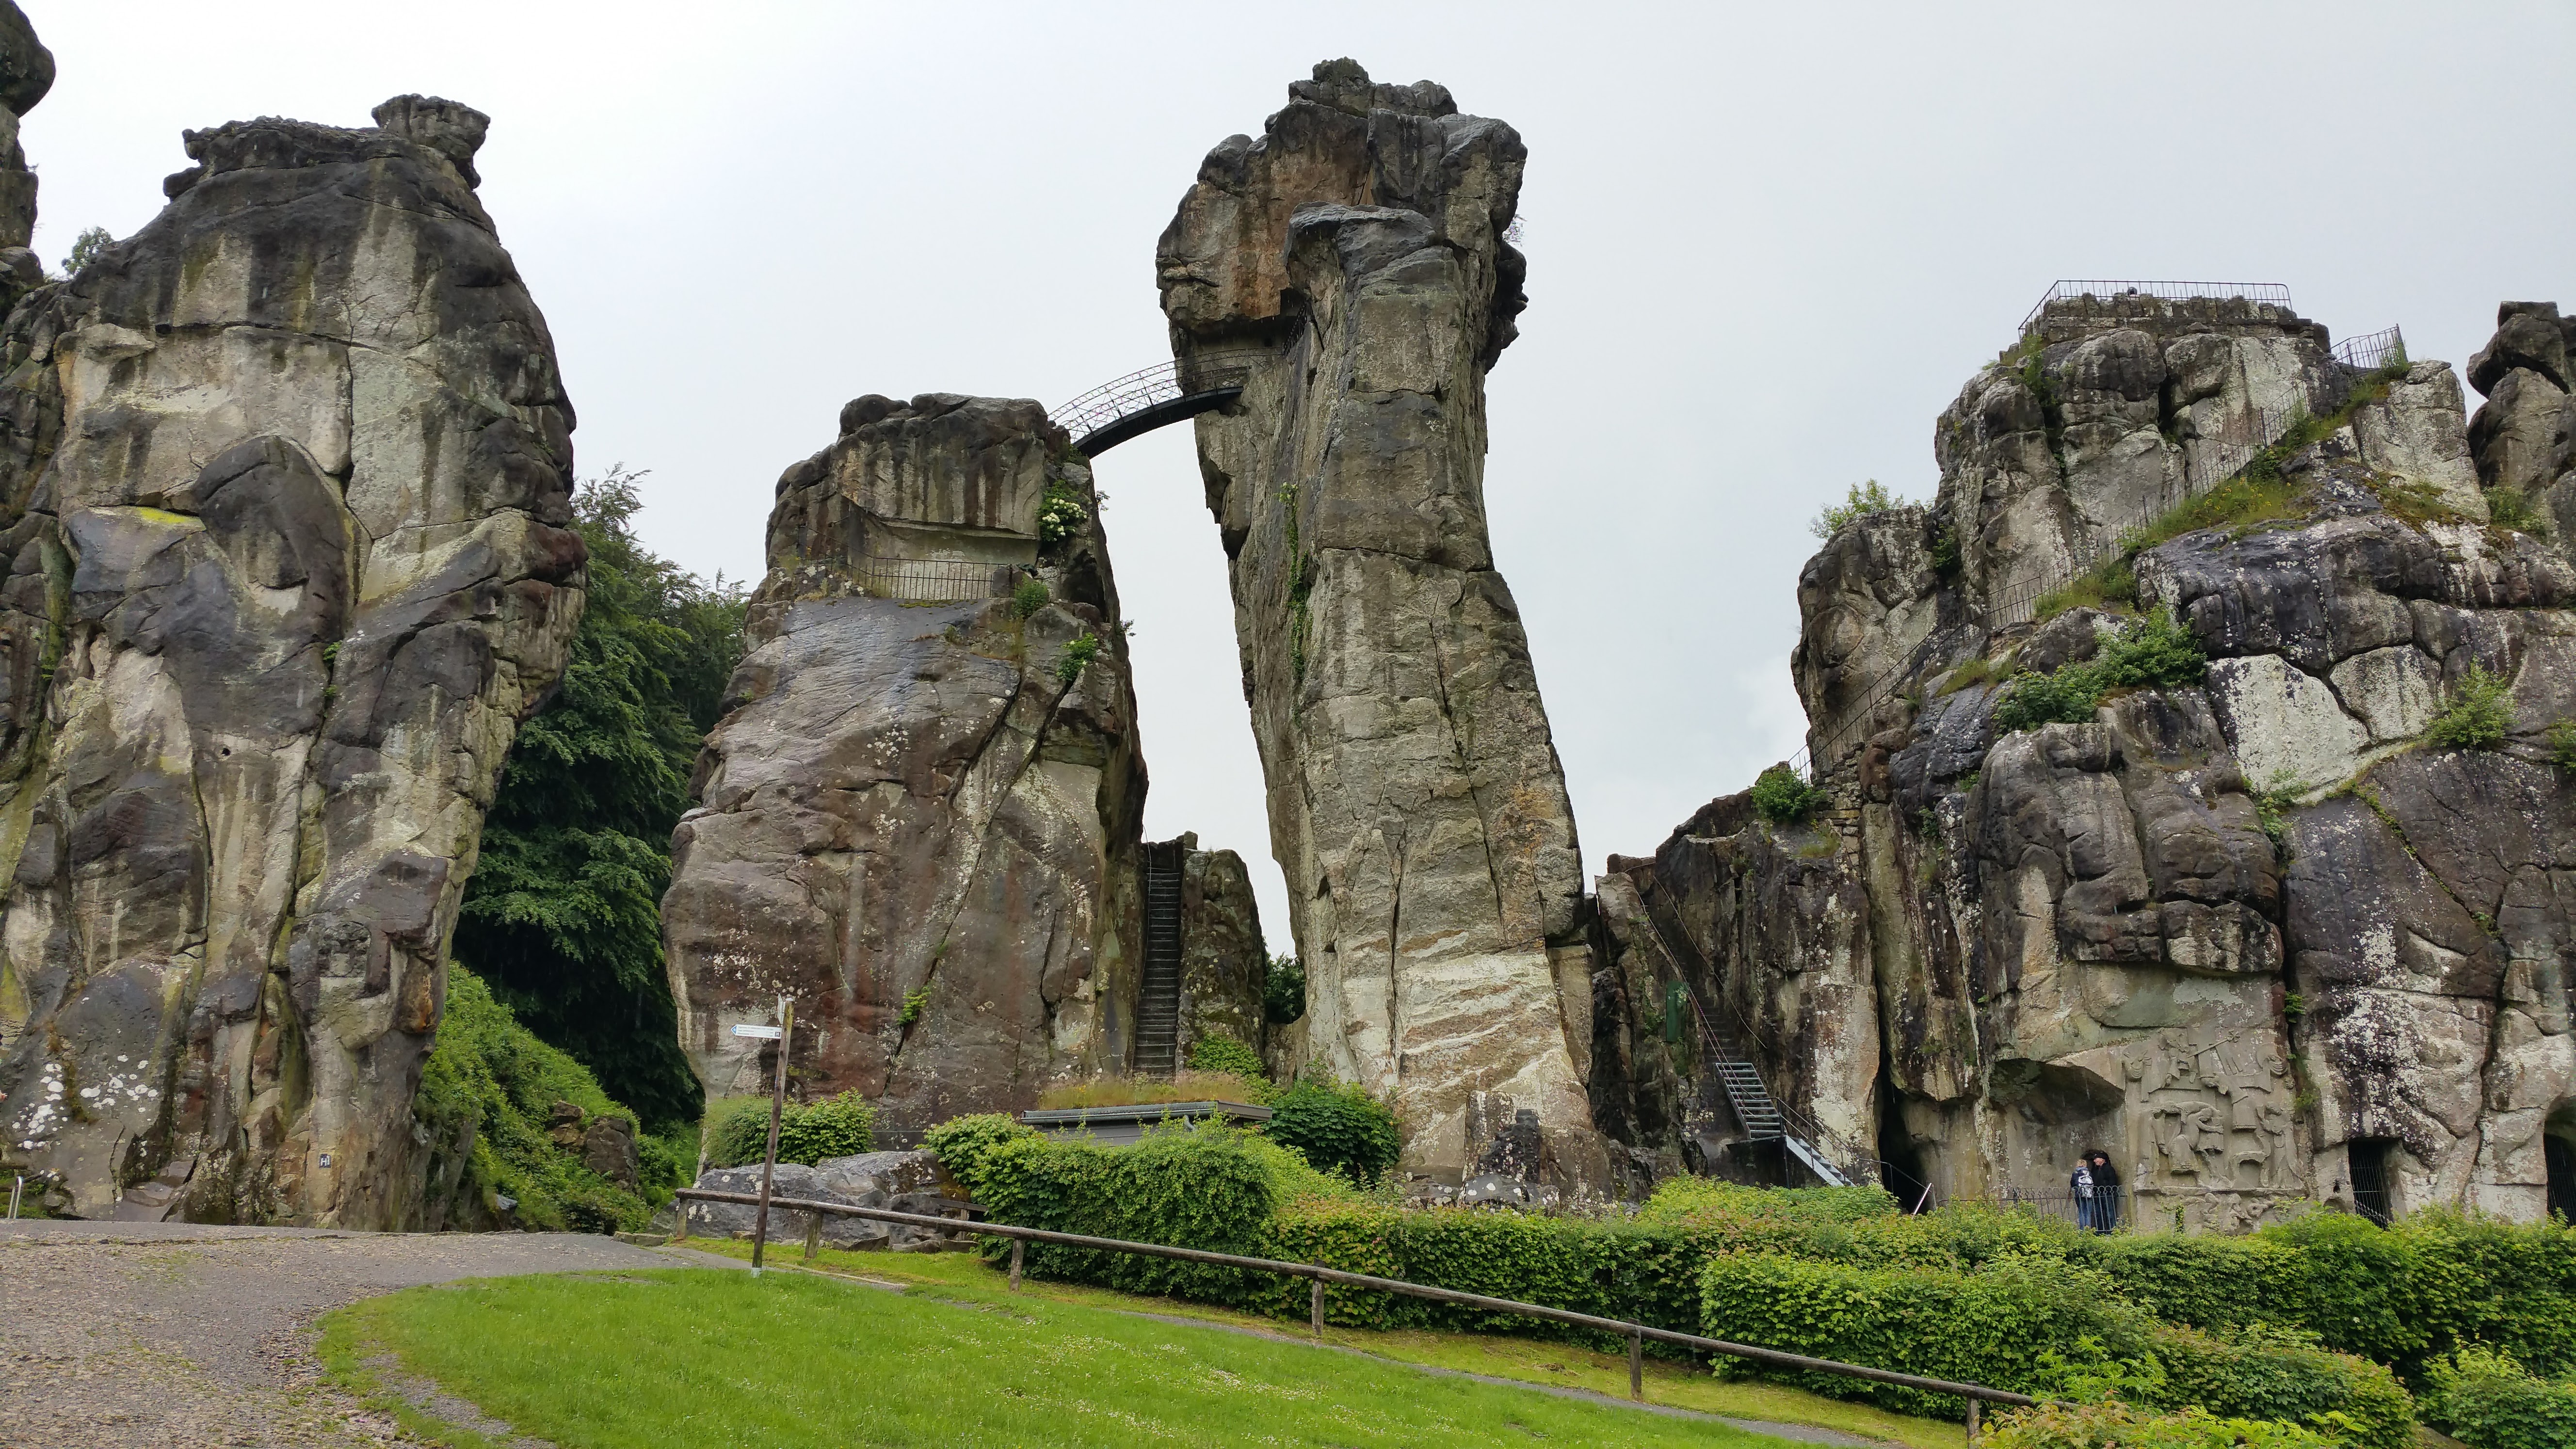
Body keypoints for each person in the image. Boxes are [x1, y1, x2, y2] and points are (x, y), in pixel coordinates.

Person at [2087, 1151, 2122, 1233]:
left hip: (2107, 1194)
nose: (2095, 1161)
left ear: (2102, 1159)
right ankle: (2100, 1231)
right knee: (2098, 1214)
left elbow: (2112, 1181)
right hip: (2097, 1194)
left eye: (2096, 1159)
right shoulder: (2095, 1170)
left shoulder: (2109, 1169)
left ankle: (2112, 1230)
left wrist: (2108, 1190)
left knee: (2109, 1213)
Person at [2070, 1156, 2097, 1231]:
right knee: (2088, 1213)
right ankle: (2088, 1230)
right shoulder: (2089, 1173)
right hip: (2089, 1194)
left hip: (2079, 1194)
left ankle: (2082, 1231)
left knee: (2081, 1212)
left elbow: (2073, 1184)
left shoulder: (2076, 1173)